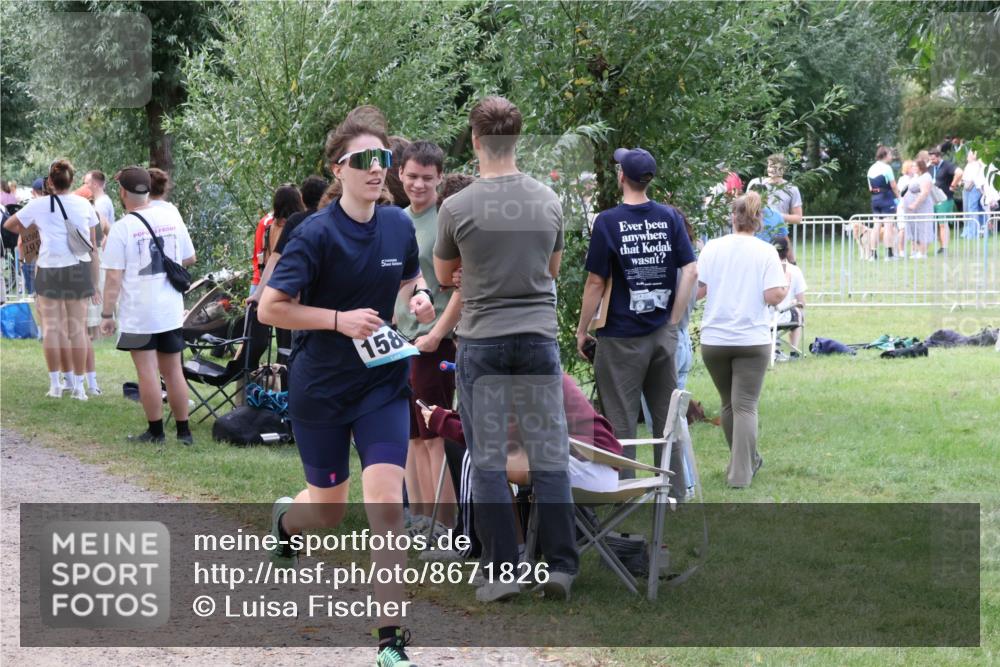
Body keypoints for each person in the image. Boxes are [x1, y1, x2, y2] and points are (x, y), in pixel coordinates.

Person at [257, 105, 434, 667]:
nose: (377, 168)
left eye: (384, 157)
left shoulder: (399, 223)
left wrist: (419, 297)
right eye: (364, 160)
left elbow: (409, 277)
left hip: (381, 383)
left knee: (385, 502)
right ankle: (288, 521)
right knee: (328, 512)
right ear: (339, 169)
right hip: (322, 389)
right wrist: (338, 319)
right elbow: (269, 309)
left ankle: (391, 642)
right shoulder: (315, 233)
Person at [434, 95, 578, 603]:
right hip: (537, 336)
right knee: (548, 452)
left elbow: (445, 276)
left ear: (475, 141)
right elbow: (553, 270)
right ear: (516, 139)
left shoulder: (456, 206)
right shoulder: (547, 200)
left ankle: (503, 569)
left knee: (489, 459)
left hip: (482, 339)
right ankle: (560, 565)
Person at [575, 147, 696, 479]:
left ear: (621, 177)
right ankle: (670, 491)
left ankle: (624, 491)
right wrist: (672, 320)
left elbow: (596, 281)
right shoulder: (670, 217)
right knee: (666, 416)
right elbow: (691, 271)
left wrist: (581, 329)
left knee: (621, 418)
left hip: (620, 337)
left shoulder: (608, 222)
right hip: (661, 334)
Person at [393, 141, 462, 534]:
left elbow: (459, 288)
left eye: (427, 178)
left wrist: (437, 334)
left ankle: (445, 523)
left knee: (435, 433)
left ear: (440, 178)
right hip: (401, 342)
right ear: (400, 174)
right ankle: (420, 517)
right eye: (412, 176)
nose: (418, 185)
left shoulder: (444, 221)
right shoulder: (398, 219)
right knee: (412, 436)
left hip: (433, 343)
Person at [696, 191, 787, 488]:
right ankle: (740, 474)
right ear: (758, 220)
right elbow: (772, 295)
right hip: (751, 338)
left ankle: (746, 462)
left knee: (728, 404)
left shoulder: (712, 248)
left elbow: (700, 289)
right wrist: (784, 288)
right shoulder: (766, 252)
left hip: (715, 339)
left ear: (732, 217)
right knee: (745, 406)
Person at [100, 166, 196, 444]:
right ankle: (184, 432)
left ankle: (156, 432)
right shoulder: (171, 218)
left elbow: (114, 278)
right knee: (173, 371)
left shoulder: (122, 228)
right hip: (170, 310)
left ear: (123, 193)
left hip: (139, 313)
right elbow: (189, 258)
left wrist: (107, 314)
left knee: (147, 372)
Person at [3, 160, 100, 400]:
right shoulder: (84, 204)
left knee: (51, 329)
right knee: (77, 330)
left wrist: (37, 225)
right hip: (78, 267)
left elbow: (9, 224)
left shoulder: (39, 205)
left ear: (49, 182)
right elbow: (93, 243)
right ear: (72, 180)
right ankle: (79, 388)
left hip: (48, 269)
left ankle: (56, 385)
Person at [76, 185, 109, 395]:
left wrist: (94, 286)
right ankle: (88, 381)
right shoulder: (97, 215)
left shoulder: (83, 218)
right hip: (92, 274)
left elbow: (93, 252)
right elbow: (108, 234)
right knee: (83, 334)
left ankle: (86, 382)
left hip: (84, 275)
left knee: (81, 334)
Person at [746, 154, 803, 263]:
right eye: (769, 166)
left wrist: (776, 216)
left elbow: (798, 218)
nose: (771, 169)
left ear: (784, 168)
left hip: (779, 237)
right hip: (754, 234)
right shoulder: (756, 183)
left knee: (780, 270)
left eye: (775, 166)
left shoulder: (792, 189)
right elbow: (745, 206)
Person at [771, 236, 807, 353]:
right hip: (784, 316)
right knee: (798, 311)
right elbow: (802, 302)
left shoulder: (764, 270)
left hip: (764, 317)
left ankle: (774, 345)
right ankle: (794, 349)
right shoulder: (795, 271)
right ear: (787, 251)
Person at [867, 145, 900, 260]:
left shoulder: (871, 168)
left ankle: (873, 254)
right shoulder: (887, 168)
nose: (891, 156)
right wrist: (899, 197)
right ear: (885, 155)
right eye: (890, 154)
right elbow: (893, 185)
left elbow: (870, 187)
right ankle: (889, 254)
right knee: (888, 225)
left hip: (875, 199)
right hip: (886, 198)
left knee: (876, 226)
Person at [928, 148, 962, 254]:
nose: (932, 161)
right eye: (930, 159)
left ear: (939, 156)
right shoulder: (930, 167)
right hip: (933, 199)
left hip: (945, 199)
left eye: (933, 159)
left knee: (943, 223)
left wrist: (953, 185)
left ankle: (945, 247)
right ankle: (941, 246)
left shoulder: (947, 165)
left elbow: (960, 173)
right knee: (938, 224)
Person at [903, 158, 935, 259]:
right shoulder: (918, 177)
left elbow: (924, 193)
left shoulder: (926, 177)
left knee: (924, 228)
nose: (913, 168)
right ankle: (918, 251)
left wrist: (914, 204)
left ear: (920, 167)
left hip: (923, 207)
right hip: (915, 209)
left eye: (915, 166)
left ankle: (922, 252)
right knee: (916, 228)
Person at [960, 148, 988, 239]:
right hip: (974, 187)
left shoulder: (977, 164)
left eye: (970, 154)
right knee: (978, 209)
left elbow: (974, 178)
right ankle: (980, 231)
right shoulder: (972, 164)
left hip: (974, 187)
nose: (968, 156)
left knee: (972, 209)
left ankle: (973, 232)